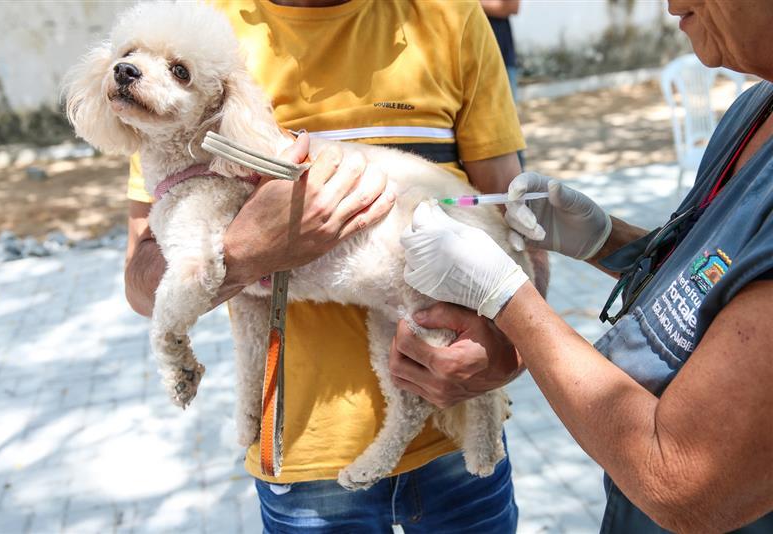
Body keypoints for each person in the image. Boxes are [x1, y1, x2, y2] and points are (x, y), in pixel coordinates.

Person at [125, 0, 543, 531]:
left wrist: (512, 349)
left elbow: (506, 211)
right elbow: (140, 282)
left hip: (456, 452)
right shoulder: (189, 36)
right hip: (301, 461)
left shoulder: (449, 16)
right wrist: (249, 250)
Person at [394, 1, 773, 532]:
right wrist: (606, 240)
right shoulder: (755, 111)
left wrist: (507, 296)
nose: (671, 5)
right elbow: (716, 279)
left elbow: (681, 476)